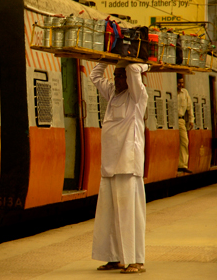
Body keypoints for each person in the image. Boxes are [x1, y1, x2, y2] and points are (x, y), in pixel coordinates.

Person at [89, 60, 149, 274]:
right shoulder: (113, 94)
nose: (116, 79)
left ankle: (136, 260)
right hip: (109, 166)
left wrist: (145, 65)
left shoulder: (137, 96)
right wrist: (105, 60)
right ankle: (115, 258)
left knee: (129, 215)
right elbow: (94, 77)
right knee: (109, 216)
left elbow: (134, 69)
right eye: (115, 75)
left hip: (128, 166)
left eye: (120, 75)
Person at [177, 75, 194, 174]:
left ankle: (182, 164)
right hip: (172, 119)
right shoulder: (174, 92)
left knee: (184, 141)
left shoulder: (185, 93)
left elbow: (189, 107)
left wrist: (191, 120)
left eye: (182, 83)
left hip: (180, 120)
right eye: (179, 83)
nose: (181, 85)